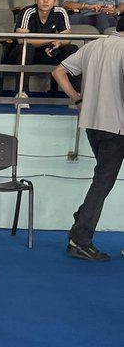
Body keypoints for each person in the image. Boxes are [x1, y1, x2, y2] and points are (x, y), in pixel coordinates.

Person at [52, 14, 124, 262]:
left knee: (102, 181)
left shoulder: (94, 45)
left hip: (93, 124)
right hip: (116, 127)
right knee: (102, 184)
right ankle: (80, 238)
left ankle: (82, 221)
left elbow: (59, 71)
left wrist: (77, 98)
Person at [0, 0, 76, 96]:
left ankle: (74, 95)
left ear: (55, 1)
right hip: (21, 54)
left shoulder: (60, 12)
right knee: (27, 48)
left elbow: (67, 36)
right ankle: (21, 92)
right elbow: (22, 40)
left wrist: (58, 42)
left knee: (72, 49)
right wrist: (51, 39)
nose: (46, 1)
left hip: (46, 53)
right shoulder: (27, 12)